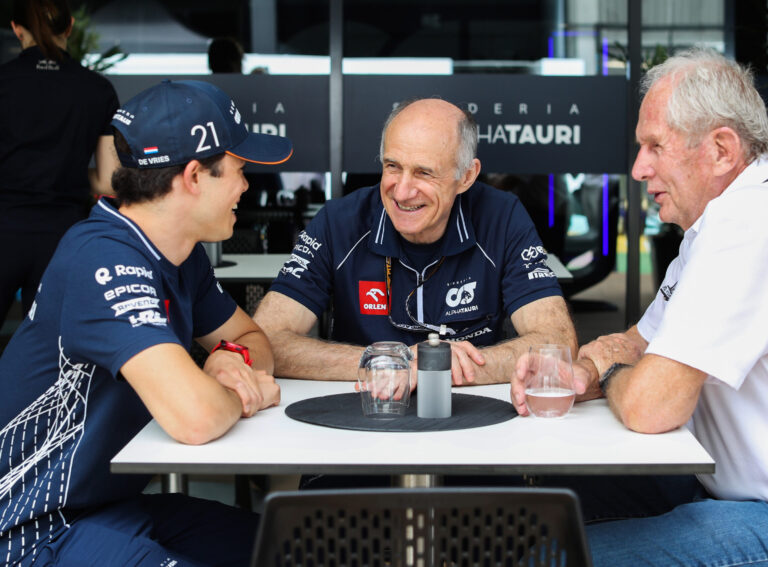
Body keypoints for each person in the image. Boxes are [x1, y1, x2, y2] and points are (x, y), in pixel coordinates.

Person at [512, 48, 768, 566]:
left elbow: (649, 407)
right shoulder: (739, 217)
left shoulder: (755, 224)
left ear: (721, 149)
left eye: (655, 146)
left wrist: (616, 372)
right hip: (741, 491)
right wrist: (582, 372)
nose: (638, 168)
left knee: (555, 556)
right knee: (538, 510)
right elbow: (638, 341)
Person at [0, 79, 292, 566]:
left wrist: (229, 359)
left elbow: (250, 337)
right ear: (194, 176)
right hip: (30, 531)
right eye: (239, 171)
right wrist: (245, 391)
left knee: (293, 546)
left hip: (107, 509)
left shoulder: (180, 254)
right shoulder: (102, 257)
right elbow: (195, 419)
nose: (246, 186)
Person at [254, 98, 576, 386]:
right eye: (392, 166)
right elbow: (263, 341)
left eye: (424, 173)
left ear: (466, 176)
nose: (402, 191)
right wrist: (392, 363)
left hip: (473, 412)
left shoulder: (502, 218)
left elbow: (557, 342)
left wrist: (442, 366)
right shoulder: (338, 222)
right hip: (365, 408)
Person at [0, 0, 121, 329]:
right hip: (61, 236)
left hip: (4, 227)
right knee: (48, 349)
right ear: (69, 28)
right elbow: (108, 181)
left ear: (17, 29)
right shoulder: (97, 89)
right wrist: (64, 169)